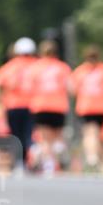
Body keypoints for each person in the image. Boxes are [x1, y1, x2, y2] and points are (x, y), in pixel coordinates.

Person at [0, 37, 37, 166]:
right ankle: (30, 159)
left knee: (16, 135)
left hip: (12, 107)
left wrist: (1, 103)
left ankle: (20, 163)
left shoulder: (9, 67)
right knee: (30, 135)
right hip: (33, 106)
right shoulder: (37, 65)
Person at [27, 40, 72, 174]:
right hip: (58, 106)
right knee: (57, 137)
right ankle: (57, 160)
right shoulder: (62, 67)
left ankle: (48, 164)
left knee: (45, 138)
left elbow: (29, 87)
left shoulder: (35, 67)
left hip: (41, 106)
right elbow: (70, 88)